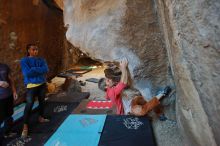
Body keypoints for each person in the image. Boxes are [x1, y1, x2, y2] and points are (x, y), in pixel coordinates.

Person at [103, 58, 171, 116]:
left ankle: (158, 110)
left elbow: (123, 83)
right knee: (141, 110)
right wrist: (123, 68)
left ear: (114, 81)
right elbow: (123, 83)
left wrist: (125, 69)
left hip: (132, 101)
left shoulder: (110, 89)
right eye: (106, 80)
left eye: (108, 80)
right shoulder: (111, 91)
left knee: (147, 99)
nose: (107, 82)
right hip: (128, 110)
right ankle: (161, 94)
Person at [20, 43, 49, 137]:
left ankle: (41, 117)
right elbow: (27, 73)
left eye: (36, 49)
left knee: (42, 101)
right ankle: (25, 126)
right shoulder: (24, 60)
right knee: (29, 104)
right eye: (33, 49)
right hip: (31, 86)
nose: (35, 51)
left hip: (42, 84)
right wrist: (39, 69)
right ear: (28, 50)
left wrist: (33, 69)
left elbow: (46, 69)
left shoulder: (41, 59)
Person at [0, 63, 17, 145]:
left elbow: (11, 79)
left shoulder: (4, 66)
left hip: (8, 95)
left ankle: (7, 132)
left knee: (9, 114)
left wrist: (14, 91)